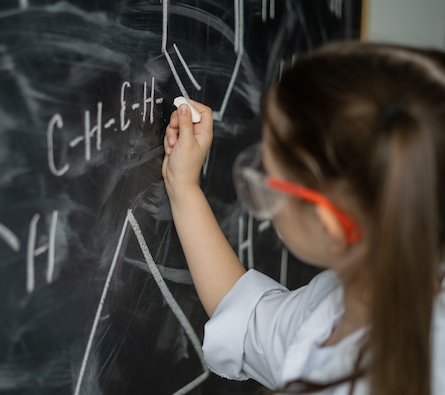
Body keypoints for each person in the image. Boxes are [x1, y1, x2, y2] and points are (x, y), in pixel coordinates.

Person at [162, 41, 445, 395]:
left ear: (330, 225)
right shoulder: (354, 296)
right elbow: (250, 323)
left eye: (267, 173)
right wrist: (183, 187)